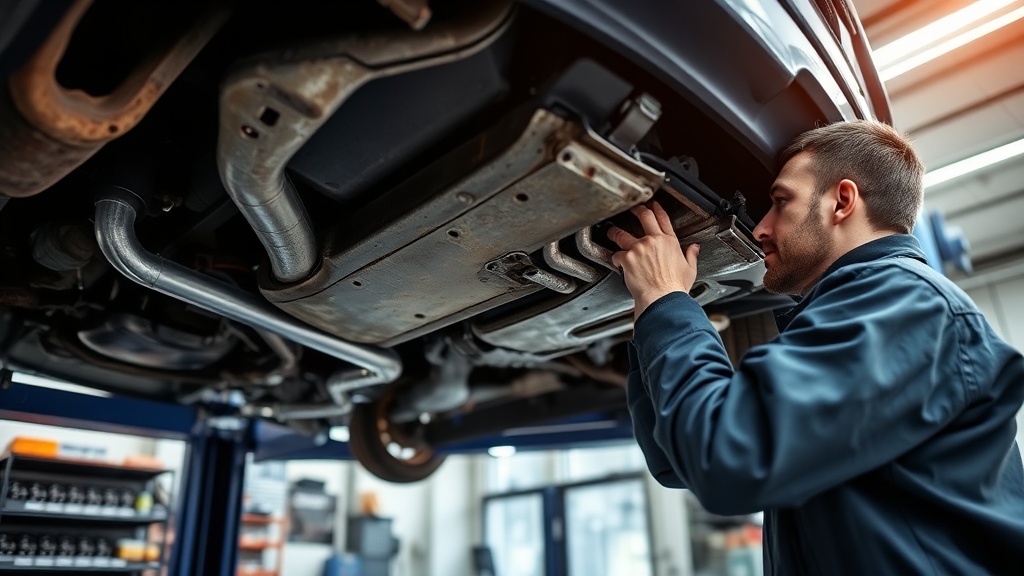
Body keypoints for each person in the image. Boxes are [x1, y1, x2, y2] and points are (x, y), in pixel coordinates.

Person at [608, 120, 1024, 575]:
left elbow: (725, 460)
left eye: (780, 201)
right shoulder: (873, 308)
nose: (760, 228)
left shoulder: (907, 304)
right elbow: (676, 463)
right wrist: (654, 316)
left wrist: (666, 302)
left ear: (842, 201)